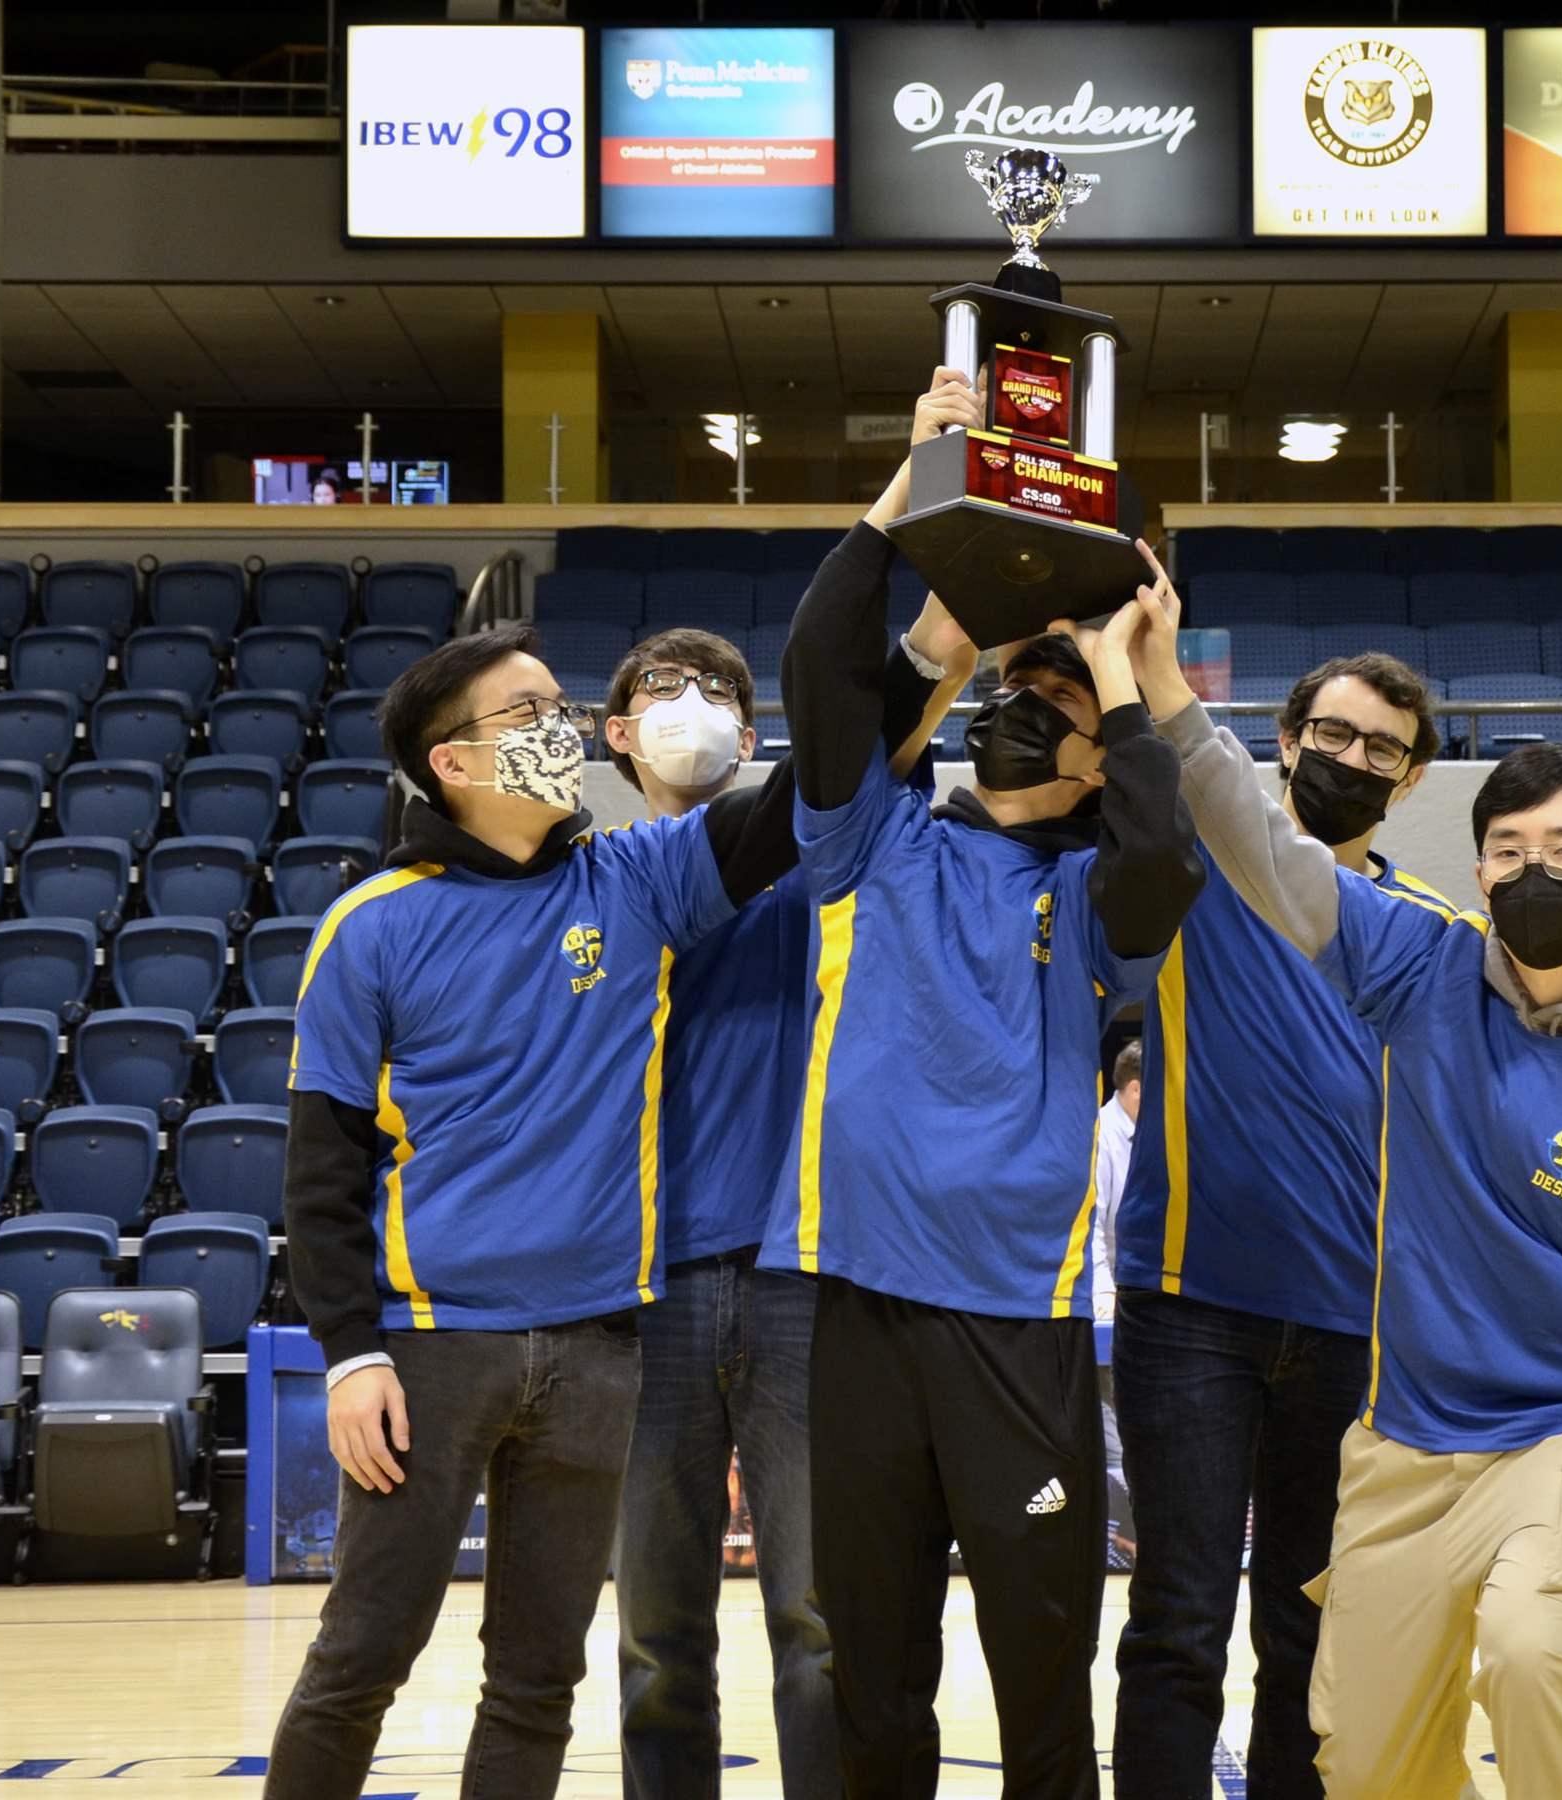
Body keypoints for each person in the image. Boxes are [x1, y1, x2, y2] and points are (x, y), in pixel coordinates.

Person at [1130, 578, 1562, 1800]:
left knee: (1532, 1659)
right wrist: (1163, 683)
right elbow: (1265, 846)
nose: (1534, 873)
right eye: (1510, 852)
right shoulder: (1419, 971)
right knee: (1361, 1764)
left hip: (1560, 1444)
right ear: (1475, 870)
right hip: (1395, 1452)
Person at [261, 582, 860, 1800]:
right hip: (432, 1349)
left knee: (539, 1677)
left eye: (564, 706)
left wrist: (903, 586)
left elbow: (802, 797)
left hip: (600, 1344)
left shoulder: (633, 882)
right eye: (532, 710)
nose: (568, 728)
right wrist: (347, 1356)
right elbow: (322, 1170)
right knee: (363, 1654)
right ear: (455, 758)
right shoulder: (369, 927)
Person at [768, 365, 1205, 1800]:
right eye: (1013, 688)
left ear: (1098, 761)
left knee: (1039, 1678)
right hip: (860, 1312)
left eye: (1052, 700)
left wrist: (1131, 668)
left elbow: (1161, 862)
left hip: (1014, 1330)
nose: (1018, 707)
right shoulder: (875, 841)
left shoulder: (1095, 902)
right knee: (872, 1675)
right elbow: (825, 674)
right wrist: (906, 499)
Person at [602, 618, 975, 1800]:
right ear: (615, 735)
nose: (694, 704)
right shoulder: (587, 888)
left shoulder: (813, 860)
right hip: (640, 1292)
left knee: (818, 1622)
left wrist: (931, 641)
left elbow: (875, 744)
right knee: (655, 1635)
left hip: (802, 1279)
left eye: (718, 688)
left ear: (756, 733)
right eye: (664, 688)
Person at [1107, 651, 1451, 1800]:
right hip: (1189, 1308)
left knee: (1310, 1633)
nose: (1351, 761)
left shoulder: (1426, 935)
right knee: (1179, 1622)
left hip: (1355, 1331)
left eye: (1380, 750)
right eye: (1333, 735)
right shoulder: (1196, 873)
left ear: (1408, 783)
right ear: (1286, 740)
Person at [1089, 1040, 1142, 1329]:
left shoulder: (1154, 1133)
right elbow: (1091, 1222)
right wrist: (1104, 1290)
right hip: (1106, 1290)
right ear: (1135, 1089)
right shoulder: (1101, 1134)